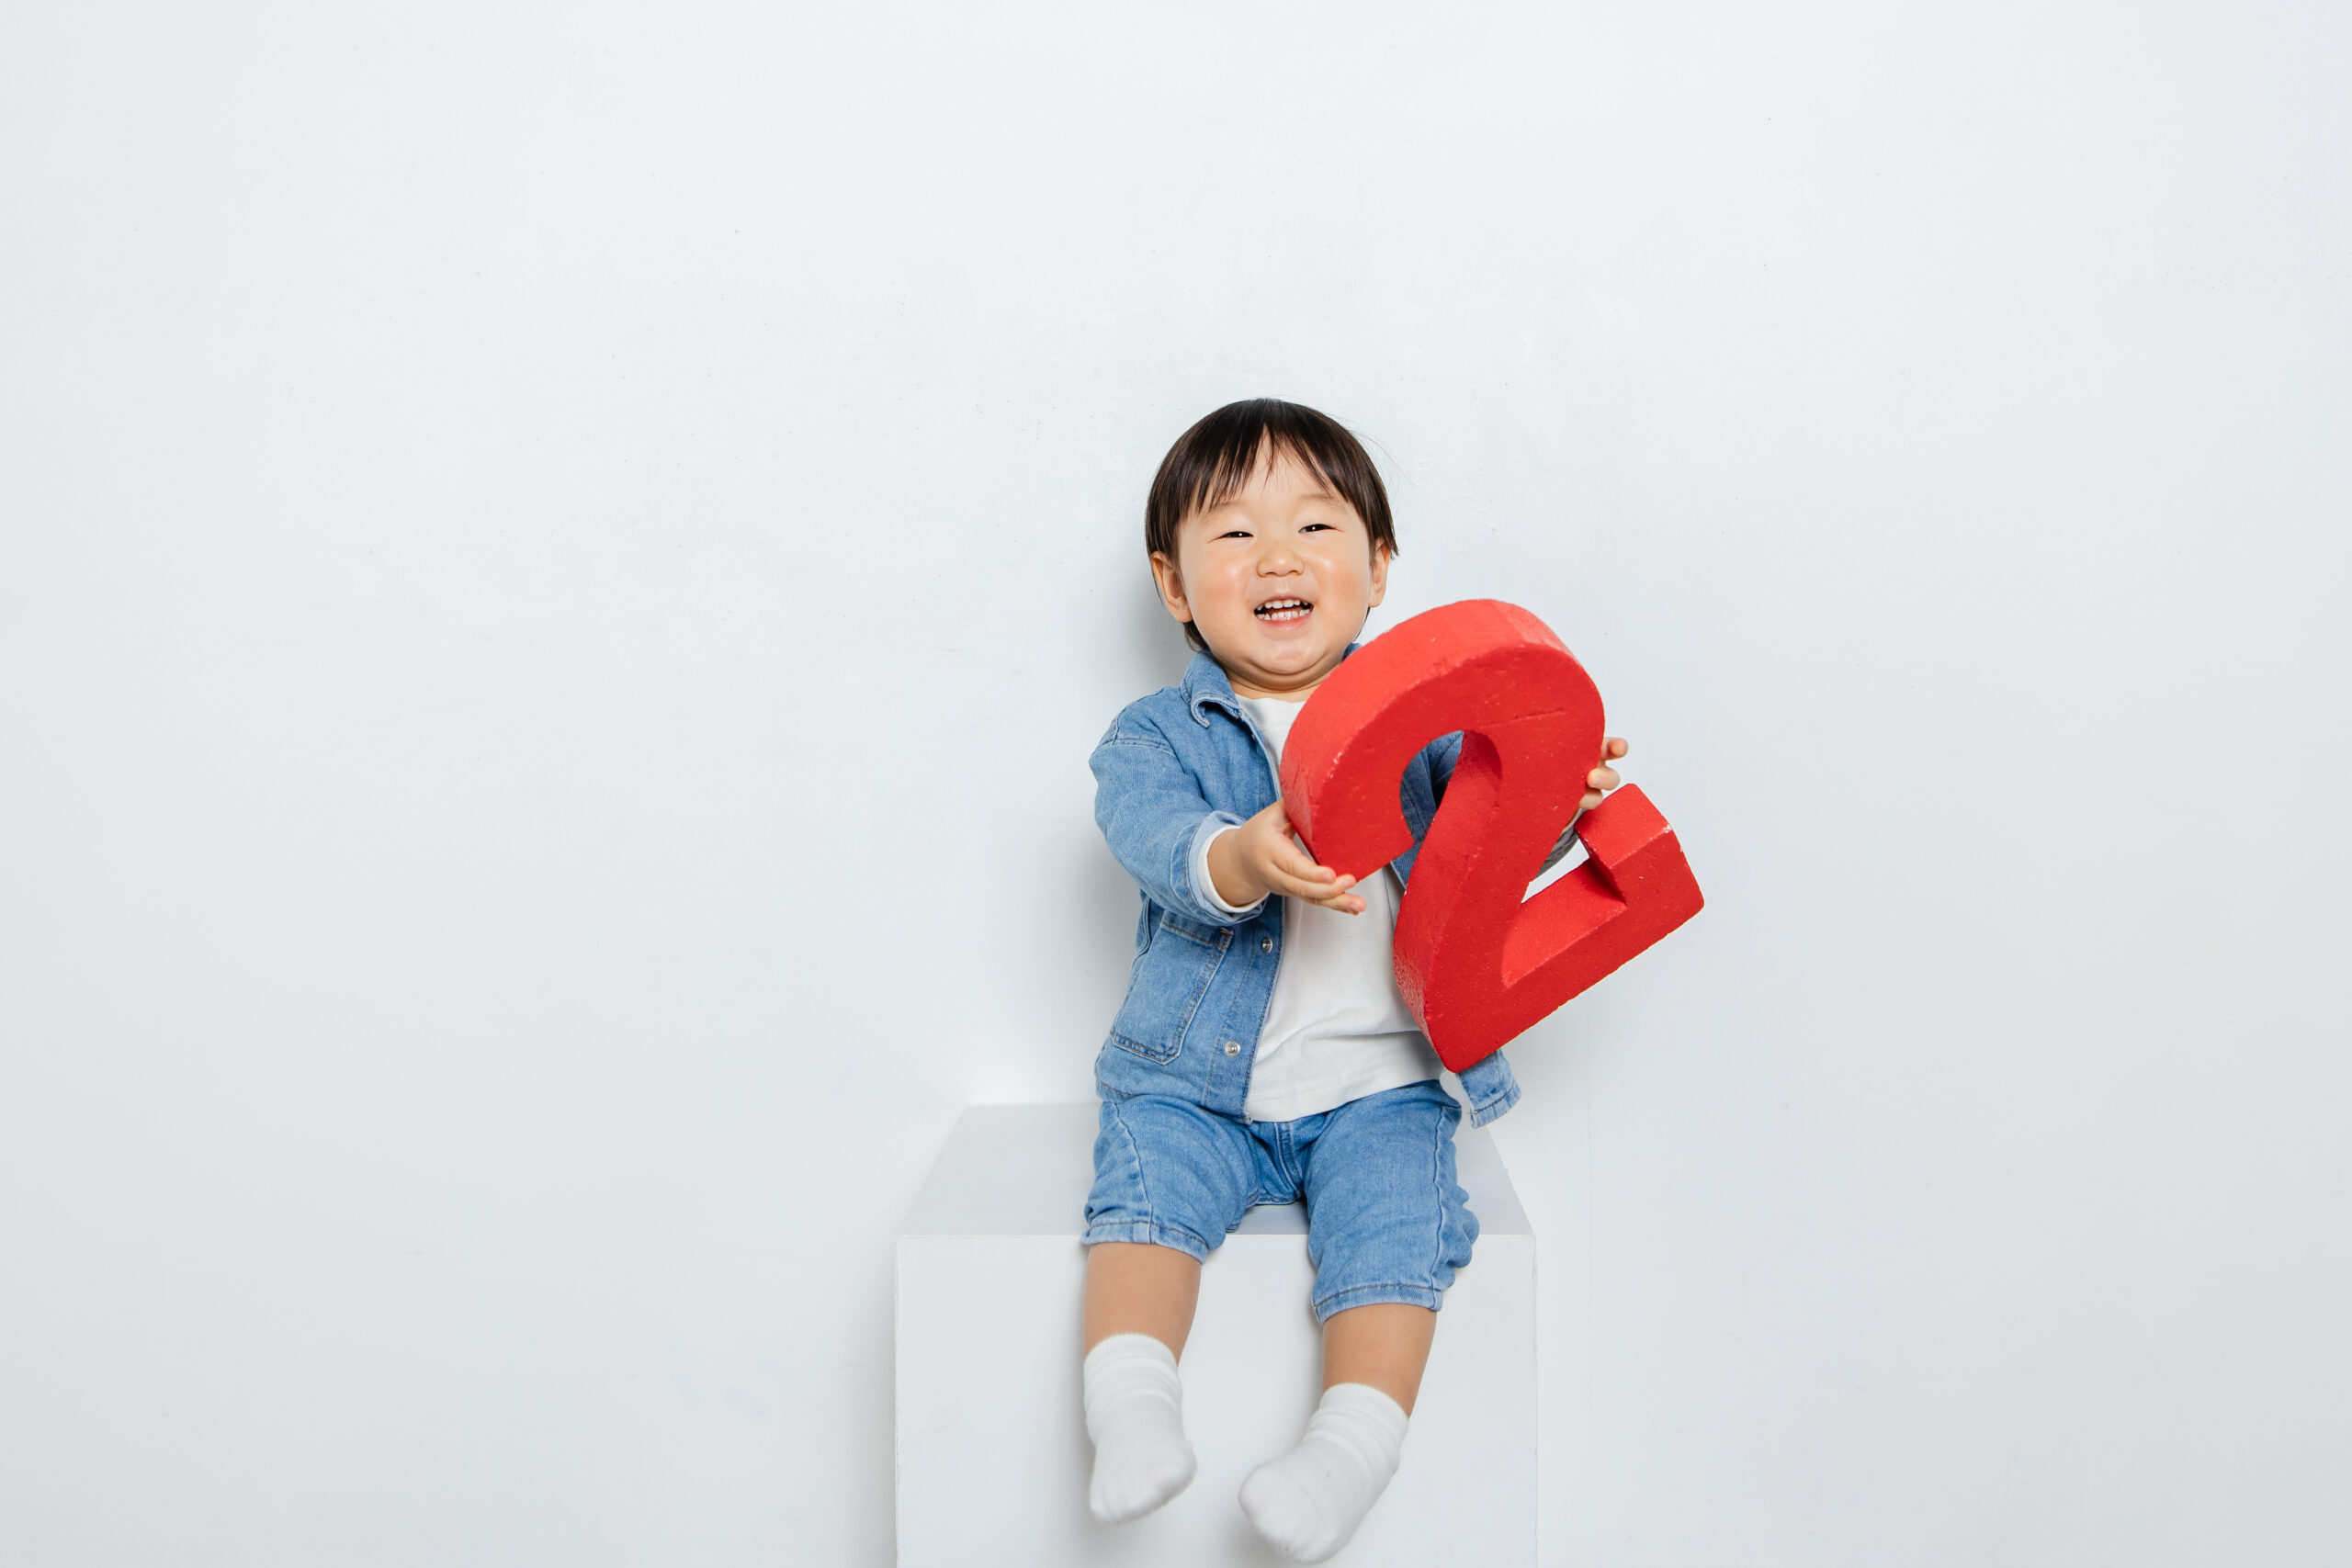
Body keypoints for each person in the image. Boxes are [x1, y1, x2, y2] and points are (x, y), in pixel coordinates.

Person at [1080, 398, 1628, 1561]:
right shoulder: (1155, 736)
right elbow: (1152, 836)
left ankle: (1352, 1447)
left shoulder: (1433, 732)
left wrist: (1556, 798)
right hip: (1194, 1086)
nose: (1276, 557)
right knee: (1141, 1203)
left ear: (1378, 569)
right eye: (1233, 534)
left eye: (1315, 527)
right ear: (1173, 585)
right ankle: (1129, 1404)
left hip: (1380, 1084)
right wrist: (1240, 855)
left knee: (1397, 1231)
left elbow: (1486, 851)